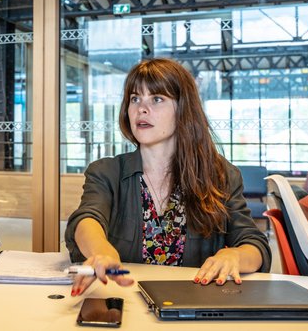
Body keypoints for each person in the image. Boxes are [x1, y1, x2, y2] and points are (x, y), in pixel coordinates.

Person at [65, 58, 271, 296]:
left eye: (157, 99)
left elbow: (255, 245)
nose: (142, 108)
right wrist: (102, 251)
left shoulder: (220, 175)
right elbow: (86, 219)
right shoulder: (106, 171)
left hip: (192, 307)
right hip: (121, 300)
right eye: (135, 99)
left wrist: (234, 255)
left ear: (183, 109)